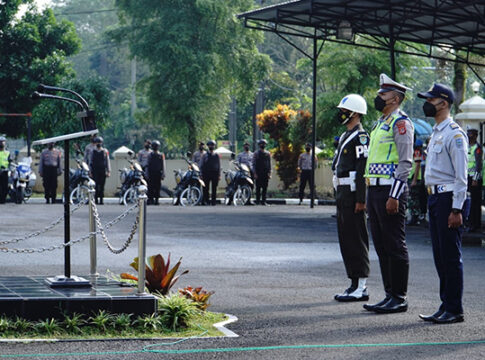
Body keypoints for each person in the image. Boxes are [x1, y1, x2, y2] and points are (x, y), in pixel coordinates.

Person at [363, 74, 414, 314]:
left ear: (394, 98)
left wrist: (394, 195)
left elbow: (405, 163)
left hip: (390, 190)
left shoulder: (401, 124)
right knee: (381, 245)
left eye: (383, 94)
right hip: (375, 190)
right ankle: (388, 294)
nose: (378, 97)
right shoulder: (379, 123)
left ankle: (399, 296)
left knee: (394, 243)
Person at [417, 84, 467, 324]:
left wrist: (457, 208)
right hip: (435, 198)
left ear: (444, 103)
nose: (427, 103)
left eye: (431, 99)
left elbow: (461, 175)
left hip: (448, 199)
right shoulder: (437, 132)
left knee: (450, 256)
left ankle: (454, 308)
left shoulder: (454, 133)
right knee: (439, 255)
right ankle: (445, 304)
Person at [332, 94, 371, 302]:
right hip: (343, 194)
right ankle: (353, 282)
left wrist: (361, 200)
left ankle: (362, 285)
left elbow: (362, 169)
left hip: (353, 195)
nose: (341, 114)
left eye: (344, 111)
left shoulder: (361, 137)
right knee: (346, 240)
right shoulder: (347, 135)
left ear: (355, 113)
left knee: (356, 239)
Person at [466, 128, 482, 232]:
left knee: (475, 202)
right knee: (468, 201)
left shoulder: (477, 148)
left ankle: (475, 224)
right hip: (467, 177)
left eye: (471, 135)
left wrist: (475, 178)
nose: (469, 136)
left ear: (475, 136)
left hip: (475, 178)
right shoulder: (467, 146)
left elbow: (478, 165)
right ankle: (469, 222)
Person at [407, 139, 424, 225]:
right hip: (412, 176)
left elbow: (417, 166)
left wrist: (414, 180)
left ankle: (415, 216)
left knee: (413, 198)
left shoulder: (417, 152)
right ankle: (415, 216)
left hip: (415, 177)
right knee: (412, 198)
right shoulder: (414, 151)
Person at [88, 136, 111, 205]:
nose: (99, 143)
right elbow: (90, 162)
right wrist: (90, 171)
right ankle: (96, 200)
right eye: (97, 142)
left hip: (102, 170)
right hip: (95, 170)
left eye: (100, 142)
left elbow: (107, 161)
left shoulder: (105, 151)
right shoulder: (92, 151)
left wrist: (108, 171)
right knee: (95, 186)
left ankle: (101, 200)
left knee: (102, 186)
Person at [200, 140, 220, 206]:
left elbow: (218, 165)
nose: (211, 146)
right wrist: (201, 174)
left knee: (214, 188)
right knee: (206, 188)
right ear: (208, 146)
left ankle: (213, 202)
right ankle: (207, 201)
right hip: (206, 173)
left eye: (212, 145)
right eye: (210, 145)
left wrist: (219, 175)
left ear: (214, 146)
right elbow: (201, 165)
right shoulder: (205, 155)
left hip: (215, 173)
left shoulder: (216, 155)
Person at [146, 140, 165, 205]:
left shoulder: (161, 155)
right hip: (151, 173)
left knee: (157, 187)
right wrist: (147, 174)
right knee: (150, 187)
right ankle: (150, 199)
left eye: (156, 146)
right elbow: (147, 164)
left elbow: (163, 165)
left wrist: (163, 174)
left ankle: (157, 199)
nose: (155, 147)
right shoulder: (150, 155)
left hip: (158, 173)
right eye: (154, 146)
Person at [252, 139, 272, 205]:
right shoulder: (256, 153)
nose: (262, 145)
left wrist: (269, 173)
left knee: (265, 188)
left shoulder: (268, 153)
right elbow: (254, 164)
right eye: (261, 144)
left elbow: (269, 164)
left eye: (264, 144)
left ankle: (263, 201)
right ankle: (257, 201)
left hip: (265, 173)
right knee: (258, 187)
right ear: (259, 145)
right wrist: (254, 173)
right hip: (258, 172)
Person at [0, 136, 12, 204]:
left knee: (5, 187)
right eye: (0, 142)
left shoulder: (7, 152)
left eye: (3, 142)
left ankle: (3, 200)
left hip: (5, 171)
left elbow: (10, 161)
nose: (2, 143)